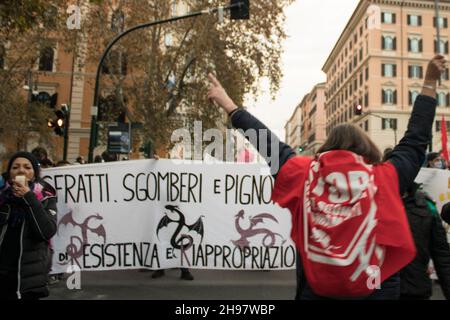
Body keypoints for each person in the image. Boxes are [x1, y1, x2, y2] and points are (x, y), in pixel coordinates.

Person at [207, 55, 446, 299]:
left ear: (328, 147)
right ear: (366, 148)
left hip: (317, 290)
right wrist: (429, 82)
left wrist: (230, 106)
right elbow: (415, 140)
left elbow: (267, 143)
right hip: (375, 287)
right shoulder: (383, 177)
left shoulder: (304, 174)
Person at [0, 152, 57, 299]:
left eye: (27, 167)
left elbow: (46, 232)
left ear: (34, 173)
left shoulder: (46, 198)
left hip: (29, 280)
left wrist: (28, 197)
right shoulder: (2, 196)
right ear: (9, 173)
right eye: (15, 167)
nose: (21, 170)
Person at [399, 182, 450, 300]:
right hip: (381, 289)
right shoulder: (372, 198)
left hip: (416, 289)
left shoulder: (426, 205)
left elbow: (442, 256)